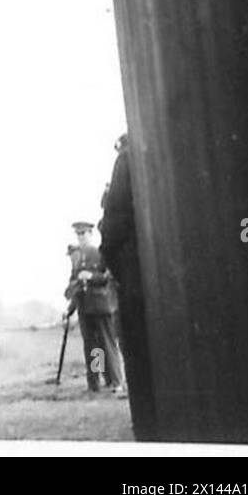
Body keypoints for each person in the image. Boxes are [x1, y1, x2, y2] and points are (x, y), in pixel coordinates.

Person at [100, 133, 155, 436]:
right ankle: (101, 380)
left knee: (124, 346)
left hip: (133, 274)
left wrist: (116, 268)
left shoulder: (127, 161)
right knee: (98, 347)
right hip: (95, 301)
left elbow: (111, 229)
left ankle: (147, 424)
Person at [64, 220, 126, 394]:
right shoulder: (76, 258)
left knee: (107, 343)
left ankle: (116, 381)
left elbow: (108, 276)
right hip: (85, 307)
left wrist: (90, 276)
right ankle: (95, 382)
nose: (81, 237)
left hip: (102, 305)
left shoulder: (100, 253)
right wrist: (70, 308)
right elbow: (74, 284)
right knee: (93, 347)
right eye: (78, 234)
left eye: (84, 234)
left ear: (91, 234)